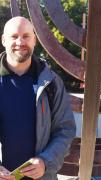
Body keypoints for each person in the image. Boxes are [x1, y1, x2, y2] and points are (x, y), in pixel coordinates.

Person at [0, 16, 76, 180]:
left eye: (26, 36)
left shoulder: (52, 82)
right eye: (14, 36)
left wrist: (45, 161)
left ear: (34, 40)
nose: (20, 42)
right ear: (4, 40)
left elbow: (65, 130)